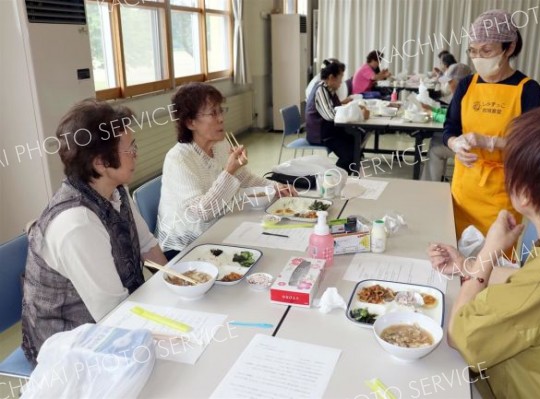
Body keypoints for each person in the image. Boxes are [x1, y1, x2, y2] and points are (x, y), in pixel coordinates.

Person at [428, 106, 540, 398]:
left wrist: (488, 253)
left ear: (524, 195)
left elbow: (459, 335)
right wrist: (468, 266)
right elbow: (527, 283)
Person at [21, 99, 168, 364]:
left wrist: (176, 288)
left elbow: (147, 246)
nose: (136, 153)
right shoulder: (78, 222)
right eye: (129, 149)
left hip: (120, 314)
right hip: (71, 342)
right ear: (101, 162)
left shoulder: (115, 191)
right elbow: (111, 315)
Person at [156, 83, 293, 257]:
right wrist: (228, 171)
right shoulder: (178, 159)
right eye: (213, 113)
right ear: (190, 122)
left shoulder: (219, 144)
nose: (221, 118)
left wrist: (276, 187)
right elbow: (202, 212)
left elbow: (244, 178)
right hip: (186, 244)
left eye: (221, 111)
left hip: (218, 225)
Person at [443, 9, 540, 240]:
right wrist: (454, 143)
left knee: (494, 260)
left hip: (503, 191)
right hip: (464, 186)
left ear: (509, 48)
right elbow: (450, 127)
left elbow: (532, 146)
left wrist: (489, 142)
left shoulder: (527, 89)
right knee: (457, 251)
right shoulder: (467, 84)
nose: (479, 57)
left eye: (487, 50)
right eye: (473, 51)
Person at [306, 59, 369, 174]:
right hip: (321, 134)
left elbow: (337, 107)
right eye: (340, 78)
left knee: (358, 137)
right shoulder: (321, 90)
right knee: (350, 153)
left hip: (330, 130)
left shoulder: (329, 89)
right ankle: (334, 177)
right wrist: (357, 114)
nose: (341, 82)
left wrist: (354, 109)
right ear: (331, 77)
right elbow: (331, 115)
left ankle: (350, 172)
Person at [421, 63, 471, 182]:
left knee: (435, 151)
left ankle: (430, 186)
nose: (448, 85)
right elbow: (450, 114)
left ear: (460, 81)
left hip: (467, 145)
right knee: (436, 138)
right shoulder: (462, 94)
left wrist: (432, 114)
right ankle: (437, 179)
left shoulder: (466, 96)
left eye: (450, 82)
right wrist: (433, 110)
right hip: (461, 139)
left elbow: (452, 121)